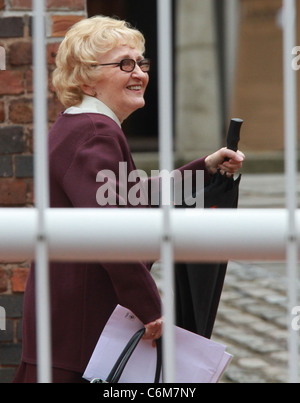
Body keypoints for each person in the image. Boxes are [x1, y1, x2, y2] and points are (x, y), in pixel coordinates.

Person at [13, 15, 245, 383]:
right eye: (124, 63)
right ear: (87, 76)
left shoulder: (80, 126)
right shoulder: (94, 133)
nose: (139, 72)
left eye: (141, 62)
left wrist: (205, 168)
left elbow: (129, 195)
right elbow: (110, 228)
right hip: (83, 327)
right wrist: (148, 306)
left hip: (69, 320)